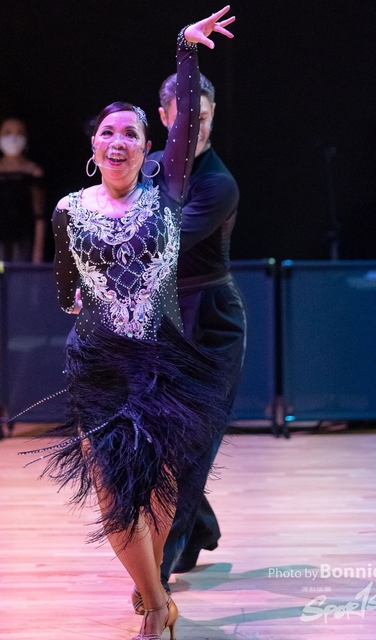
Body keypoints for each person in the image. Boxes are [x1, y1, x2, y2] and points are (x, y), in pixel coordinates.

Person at [20, 8, 235, 640]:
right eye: (108, 132)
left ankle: (154, 590)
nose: (118, 141)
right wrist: (88, 307)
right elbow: (65, 286)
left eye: (132, 134)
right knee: (114, 494)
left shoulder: (168, 193)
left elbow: (188, 120)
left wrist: (186, 50)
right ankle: (156, 601)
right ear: (94, 147)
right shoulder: (68, 209)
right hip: (99, 365)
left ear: (150, 148)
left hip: (163, 361)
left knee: (162, 491)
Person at [137, 71, 246, 599]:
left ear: (212, 116)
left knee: (193, 446)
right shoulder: (149, 167)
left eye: (201, 117)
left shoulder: (218, 183)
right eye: (183, 117)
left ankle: (157, 573)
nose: (193, 127)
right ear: (164, 118)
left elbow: (160, 245)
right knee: (160, 442)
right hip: (162, 317)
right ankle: (199, 528)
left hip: (211, 322)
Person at [0, 117, 45, 262]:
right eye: (8, 132)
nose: (13, 138)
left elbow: (40, 215)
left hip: (23, 243)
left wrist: (38, 254)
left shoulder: (34, 172)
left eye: (19, 133)